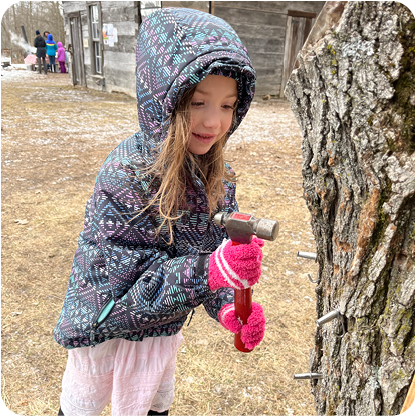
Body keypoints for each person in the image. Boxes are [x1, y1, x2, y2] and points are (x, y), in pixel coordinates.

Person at [53, 7, 265, 417]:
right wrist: (210, 271)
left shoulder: (219, 177)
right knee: (83, 408)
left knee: (153, 408)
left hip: (159, 336)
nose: (213, 121)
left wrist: (227, 303)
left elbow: (213, 249)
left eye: (227, 105)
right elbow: (124, 294)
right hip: (105, 334)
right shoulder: (125, 177)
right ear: (161, 100)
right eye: (198, 101)